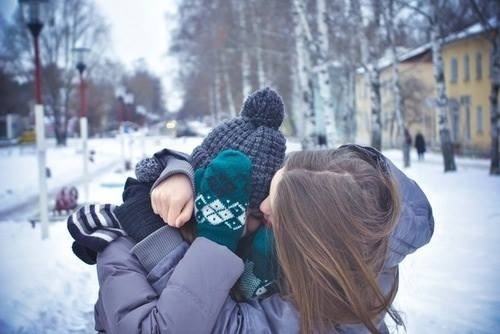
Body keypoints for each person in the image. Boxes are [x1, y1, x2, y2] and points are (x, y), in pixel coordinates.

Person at [69, 144, 434, 333]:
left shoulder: (324, 317)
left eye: (274, 210)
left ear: (312, 238)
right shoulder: (349, 220)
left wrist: (124, 243)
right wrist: (178, 174)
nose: (258, 205)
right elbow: (227, 162)